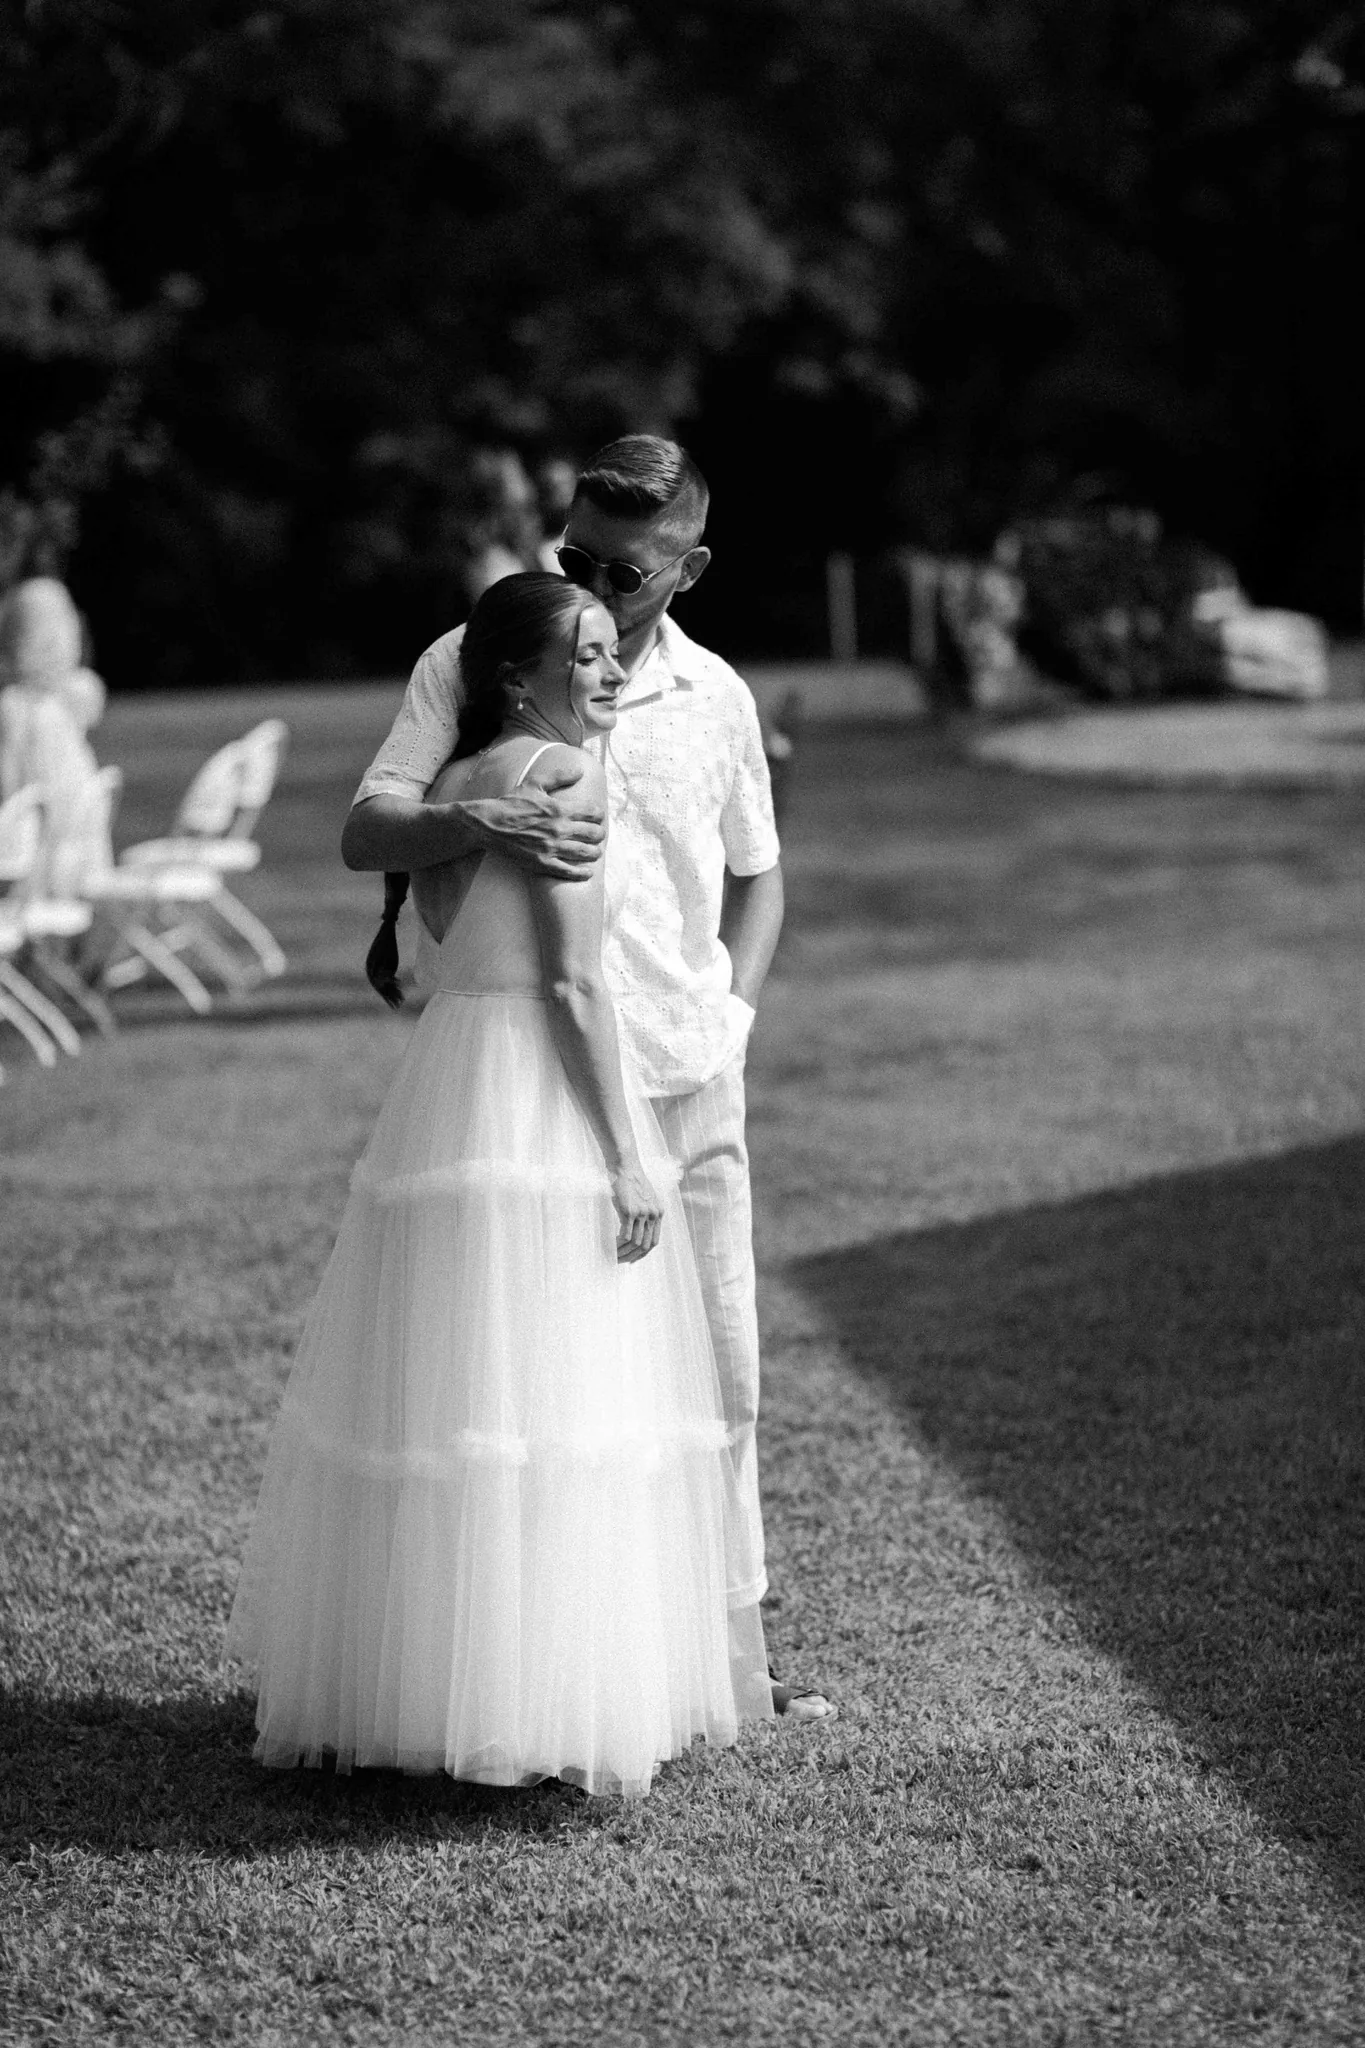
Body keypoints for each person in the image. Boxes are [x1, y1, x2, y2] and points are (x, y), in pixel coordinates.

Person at [228, 573, 773, 1792]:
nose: (612, 671)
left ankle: (430, 1685)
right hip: (540, 1086)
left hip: (448, 1085)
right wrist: (631, 1152)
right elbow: (576, 986)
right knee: (565, 1401)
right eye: (587, 654)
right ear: (522, 676)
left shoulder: (448, 787)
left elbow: (402, 865)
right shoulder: (564, 778)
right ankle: (545, 1699)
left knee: (457, 1390)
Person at [342, 435, 833, 1720]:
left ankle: (731, 1669)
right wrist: (479, 818)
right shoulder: (474, 656)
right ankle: (537, 1677)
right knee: (537, 1395)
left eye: (622, 570)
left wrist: (731, 1009)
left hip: (681, 1069)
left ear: (690, 567)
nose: (592, 587)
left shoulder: (717, 695)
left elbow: (757, 870)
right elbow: (367, 824)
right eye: (574, 557)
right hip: (538, 1084)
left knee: (720, 1381)